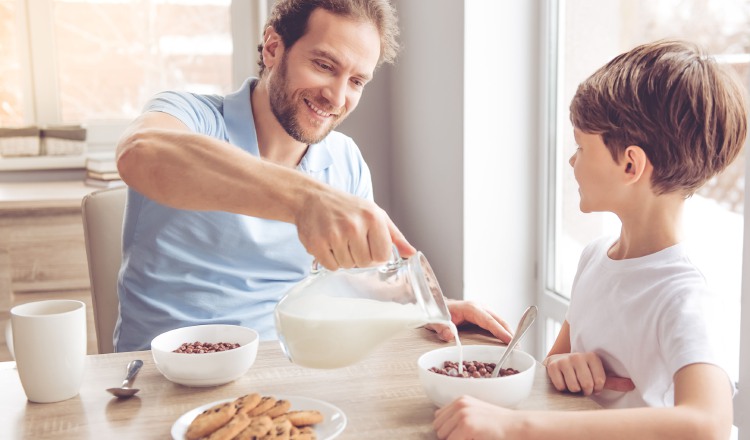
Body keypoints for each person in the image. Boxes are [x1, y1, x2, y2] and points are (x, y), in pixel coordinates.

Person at [114, 0, 513, 352]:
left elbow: (355, 281)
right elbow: (140, 153)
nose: (337, 98)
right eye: (324, 66)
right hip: (160, 373)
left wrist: (425, 306)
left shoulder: (345, 161)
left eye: (356, 81)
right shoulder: (191, 115)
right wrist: (305, 200)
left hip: (280, 367)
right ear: (273, 48)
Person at [433, 39, 746, 440]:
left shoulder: (684, 295)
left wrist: (517, 427)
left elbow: (709, 423)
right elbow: (553, 367)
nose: (572, 160)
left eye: (581, 146)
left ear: (631, 164)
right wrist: (562, 368)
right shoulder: (595, 258)